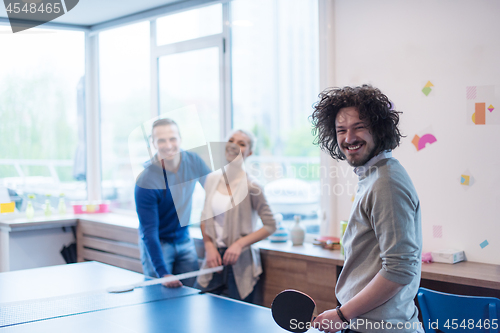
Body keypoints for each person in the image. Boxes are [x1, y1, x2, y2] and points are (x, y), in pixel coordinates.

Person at [310, 85, 423, 333]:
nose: (348, 138)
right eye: (341, 130)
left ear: (378, 129)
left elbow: (399, 269)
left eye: (358, 127)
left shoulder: (386, 182)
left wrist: (341, 315)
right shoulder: (372, 177)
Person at [195, 129, 277, 303]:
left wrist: (239, 244)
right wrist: (209, 246)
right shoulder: (211, 179)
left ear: (250, 152)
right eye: (231, 140)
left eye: (241, 143)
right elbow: (204, 217)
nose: (234, 146)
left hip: (241, 265)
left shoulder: (253, 186)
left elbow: (271, 225)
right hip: (213, 261)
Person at [135, 118, 211, 287]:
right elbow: (149, 232)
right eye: (161, 140)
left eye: (172, 139)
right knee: (158, 299)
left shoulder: (193, 161)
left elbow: (215, 192)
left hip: (184, 240)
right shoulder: (146, 182)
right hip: (159, 245)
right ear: (153, 143)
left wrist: (211, 242)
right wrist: (163, 273)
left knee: (190, 295)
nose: (168, 145)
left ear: (180, 139)